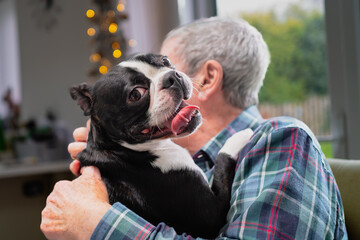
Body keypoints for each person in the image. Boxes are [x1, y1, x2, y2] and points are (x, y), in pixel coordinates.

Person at [41, 17, 347, 239]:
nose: (163, 79)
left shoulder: (280, 141)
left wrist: (96, 222)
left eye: (167, 66)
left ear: (208, 77)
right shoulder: (171, 165)